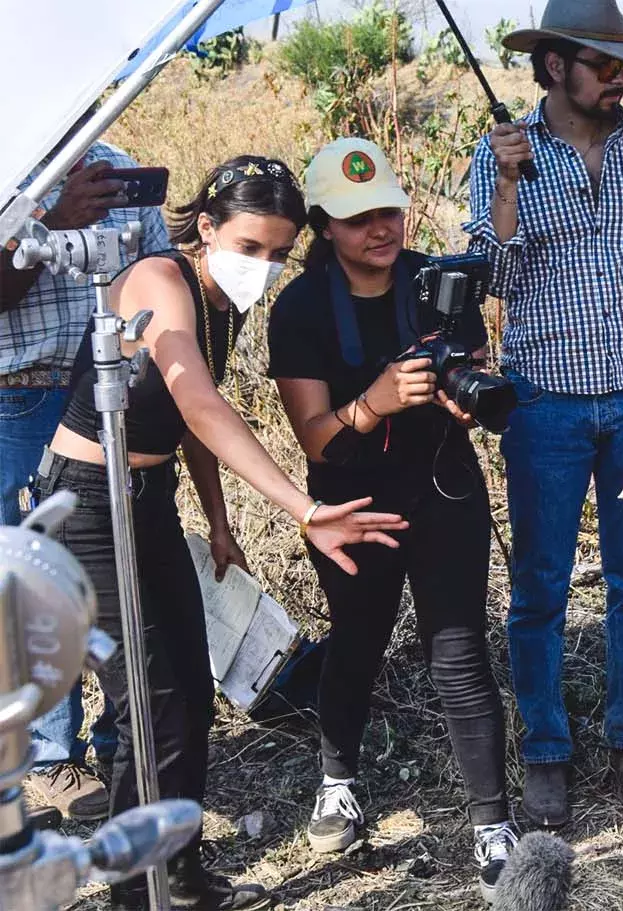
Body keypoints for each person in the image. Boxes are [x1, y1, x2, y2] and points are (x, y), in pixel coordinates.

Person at [34, 155, 408, 911]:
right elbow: (200, 404)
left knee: (190, 697)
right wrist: (300, 507)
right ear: (206, 227)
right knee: (150, 699)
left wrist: (218, 517)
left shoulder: (218, 300)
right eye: (249, 248)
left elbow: (186, 429)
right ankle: (139, 892)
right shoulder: (159, 281)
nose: (263, 269)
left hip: (147, 495)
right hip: (89, 504)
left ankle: (178, 871)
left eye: (276, 254)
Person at [464, 0, 623, 827]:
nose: (622, 81)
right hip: (544, 403)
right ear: (556, 66)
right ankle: (546, 748)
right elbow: (487, 276)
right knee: (539, 587)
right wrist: (502, 185)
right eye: (608, 67)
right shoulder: (504, 154)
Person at [267, 138, 518, 900]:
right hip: (351, 500)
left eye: (389, 211)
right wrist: (374, 399)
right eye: (356, 218)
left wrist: (467, 391)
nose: (381, 229)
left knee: (459, 651)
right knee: (359, 641)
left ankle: (491, 823)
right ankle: (338, 778)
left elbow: (476, 374)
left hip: (443, 487)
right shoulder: (302, 307)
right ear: (323, 226)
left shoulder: (437, 281)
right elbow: (315, 434)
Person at [1, 138, 168, 824]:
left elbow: (160, 268)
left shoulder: (116, 158)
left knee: (106, 567)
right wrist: (55, 221)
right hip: (17, 395)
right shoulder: (12, 165)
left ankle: (113, 736)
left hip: (105, 393)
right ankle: (47, 754)